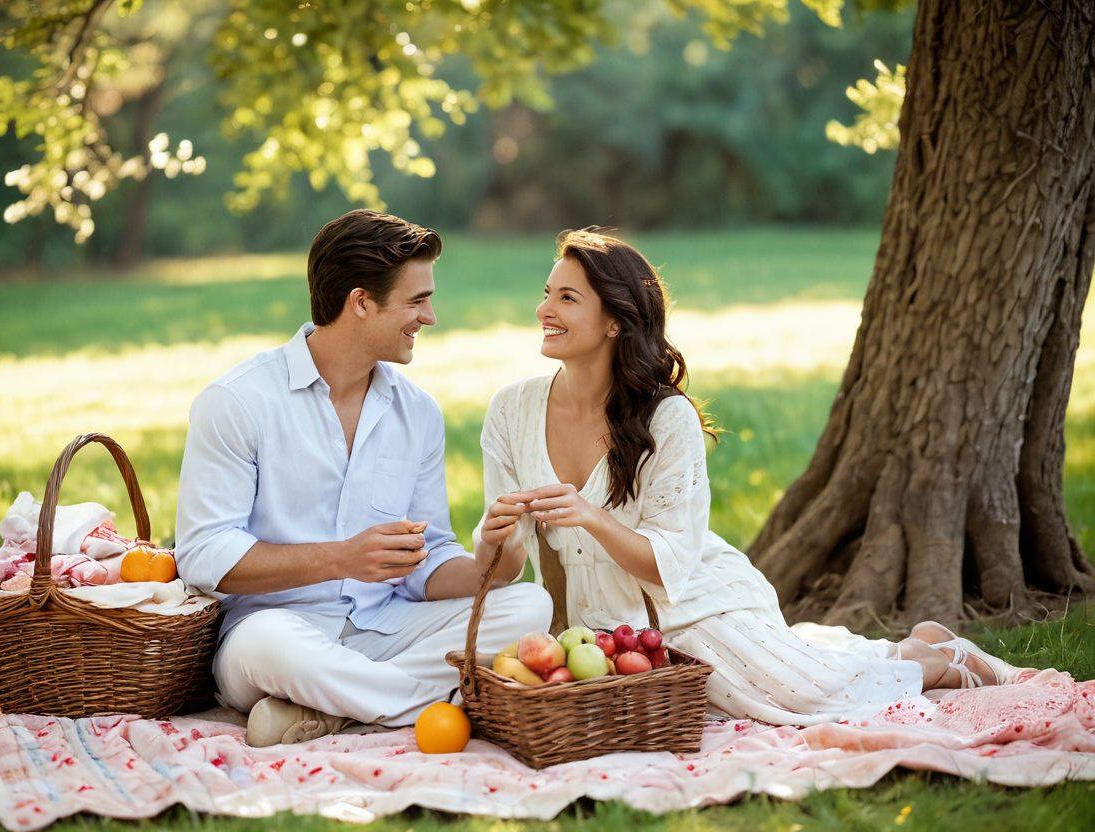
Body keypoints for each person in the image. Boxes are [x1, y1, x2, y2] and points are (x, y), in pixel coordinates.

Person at [473, 228, 1016, 726]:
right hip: (593, 635)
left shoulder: (666, 419)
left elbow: (669, 570)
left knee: (799, 698)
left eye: (567, 298)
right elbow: (509, 566)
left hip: (689, 608)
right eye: (547, 293)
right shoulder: (511, 410)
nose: (544, 309)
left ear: (615, 320)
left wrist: (590, 518)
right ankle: (882, 651)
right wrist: (495, 536)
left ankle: (936, 658)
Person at [175, 209, 552, 746]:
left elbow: (427, 559)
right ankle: (446, 703)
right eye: (417, 300)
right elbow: (205, 555)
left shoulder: (417, 412)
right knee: (268, 644)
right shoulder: (237, 403)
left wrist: (496, 563)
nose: (430, 317)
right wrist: (340, 558)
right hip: (276, 634)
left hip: (387, 628)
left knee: (530, 607)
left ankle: (336, 710)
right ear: (360, 302)